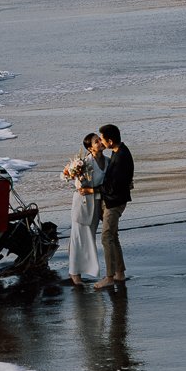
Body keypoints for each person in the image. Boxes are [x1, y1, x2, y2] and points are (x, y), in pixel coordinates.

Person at [94, 122, 134, 289]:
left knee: (107, 237)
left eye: (102, 140)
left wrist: (92, 189)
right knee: (113, 236)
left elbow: (112, 187)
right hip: (116, 200)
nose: (101, 143)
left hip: (115, 202)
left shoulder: (121, 157)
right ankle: (119, 273)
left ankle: (109, 277)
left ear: (110, 141)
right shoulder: (119, 152)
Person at [67, 132, 107, 284]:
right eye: (97, 141)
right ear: (90, 148)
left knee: (89, 238)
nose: (100, 142)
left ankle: (79, 271)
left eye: (100, 140)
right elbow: (79, 186)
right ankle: (75, 275)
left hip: (96, 206)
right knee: (78, 240)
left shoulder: (108, 161)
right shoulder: (84, 163)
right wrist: (79, 178)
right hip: (82, 205)